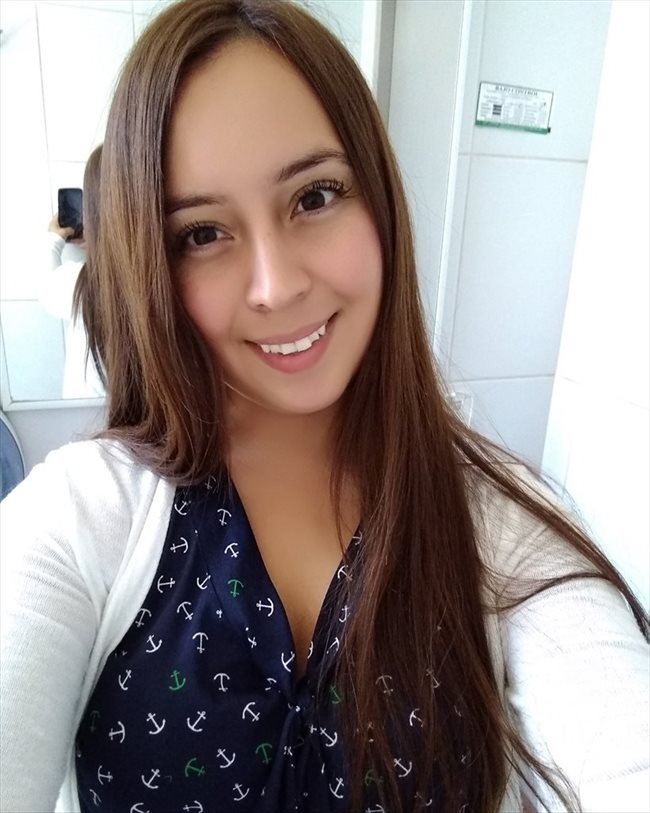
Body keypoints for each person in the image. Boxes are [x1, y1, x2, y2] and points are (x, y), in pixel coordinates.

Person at [0, 1, 648, 812]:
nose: (278, 286)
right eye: (201, 234)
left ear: (377, 196)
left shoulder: (496, 522)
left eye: (315, 196)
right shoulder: (79, 520)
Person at [40, 145, 104, 400]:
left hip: (83, 418)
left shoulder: (83, 283)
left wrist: (53, 239)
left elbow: (47, 291)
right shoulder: (168, 279)